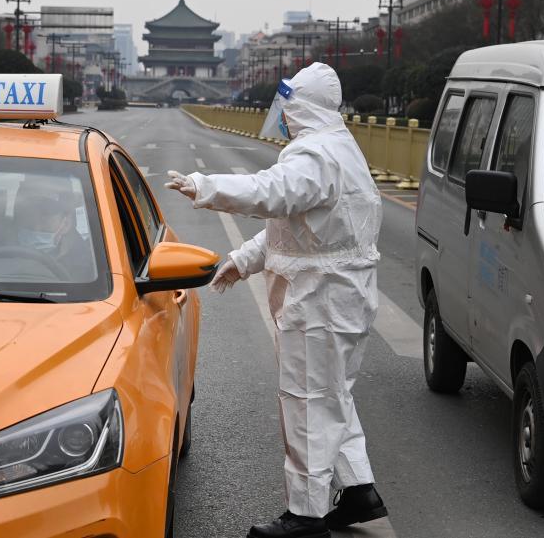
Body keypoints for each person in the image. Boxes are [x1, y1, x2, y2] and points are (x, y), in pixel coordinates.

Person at [166, 63, 387, 538]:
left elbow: (272, 194)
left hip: (320, 303)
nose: (281, 115)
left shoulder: (314, 155)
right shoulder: (340, 149)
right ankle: (356, 489)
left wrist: (206, 187)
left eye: (286, 106)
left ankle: (305, 515)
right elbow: (296, 230)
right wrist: (244, 260)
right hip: (338, 299)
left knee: (306, 402)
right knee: (331, 396)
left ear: (300, 106)